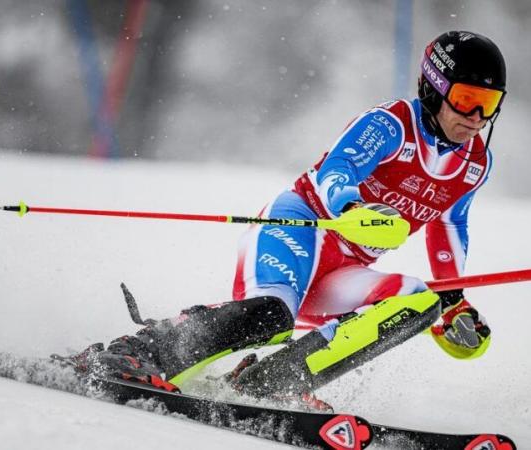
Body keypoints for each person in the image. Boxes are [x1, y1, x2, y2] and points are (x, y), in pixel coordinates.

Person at [68, 31, 506, 409]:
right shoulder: (391, 125)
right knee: (272, 315)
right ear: (434, 88)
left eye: (488, 105)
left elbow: (449, 226)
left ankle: (272, 383)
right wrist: (354, 210)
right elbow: (339, 169)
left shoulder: (475, 163)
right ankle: (132, 352)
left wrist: (454, 300)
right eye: (467, 100)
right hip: (302, 229)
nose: (476, 118)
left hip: (349, 266)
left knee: (419, 300)